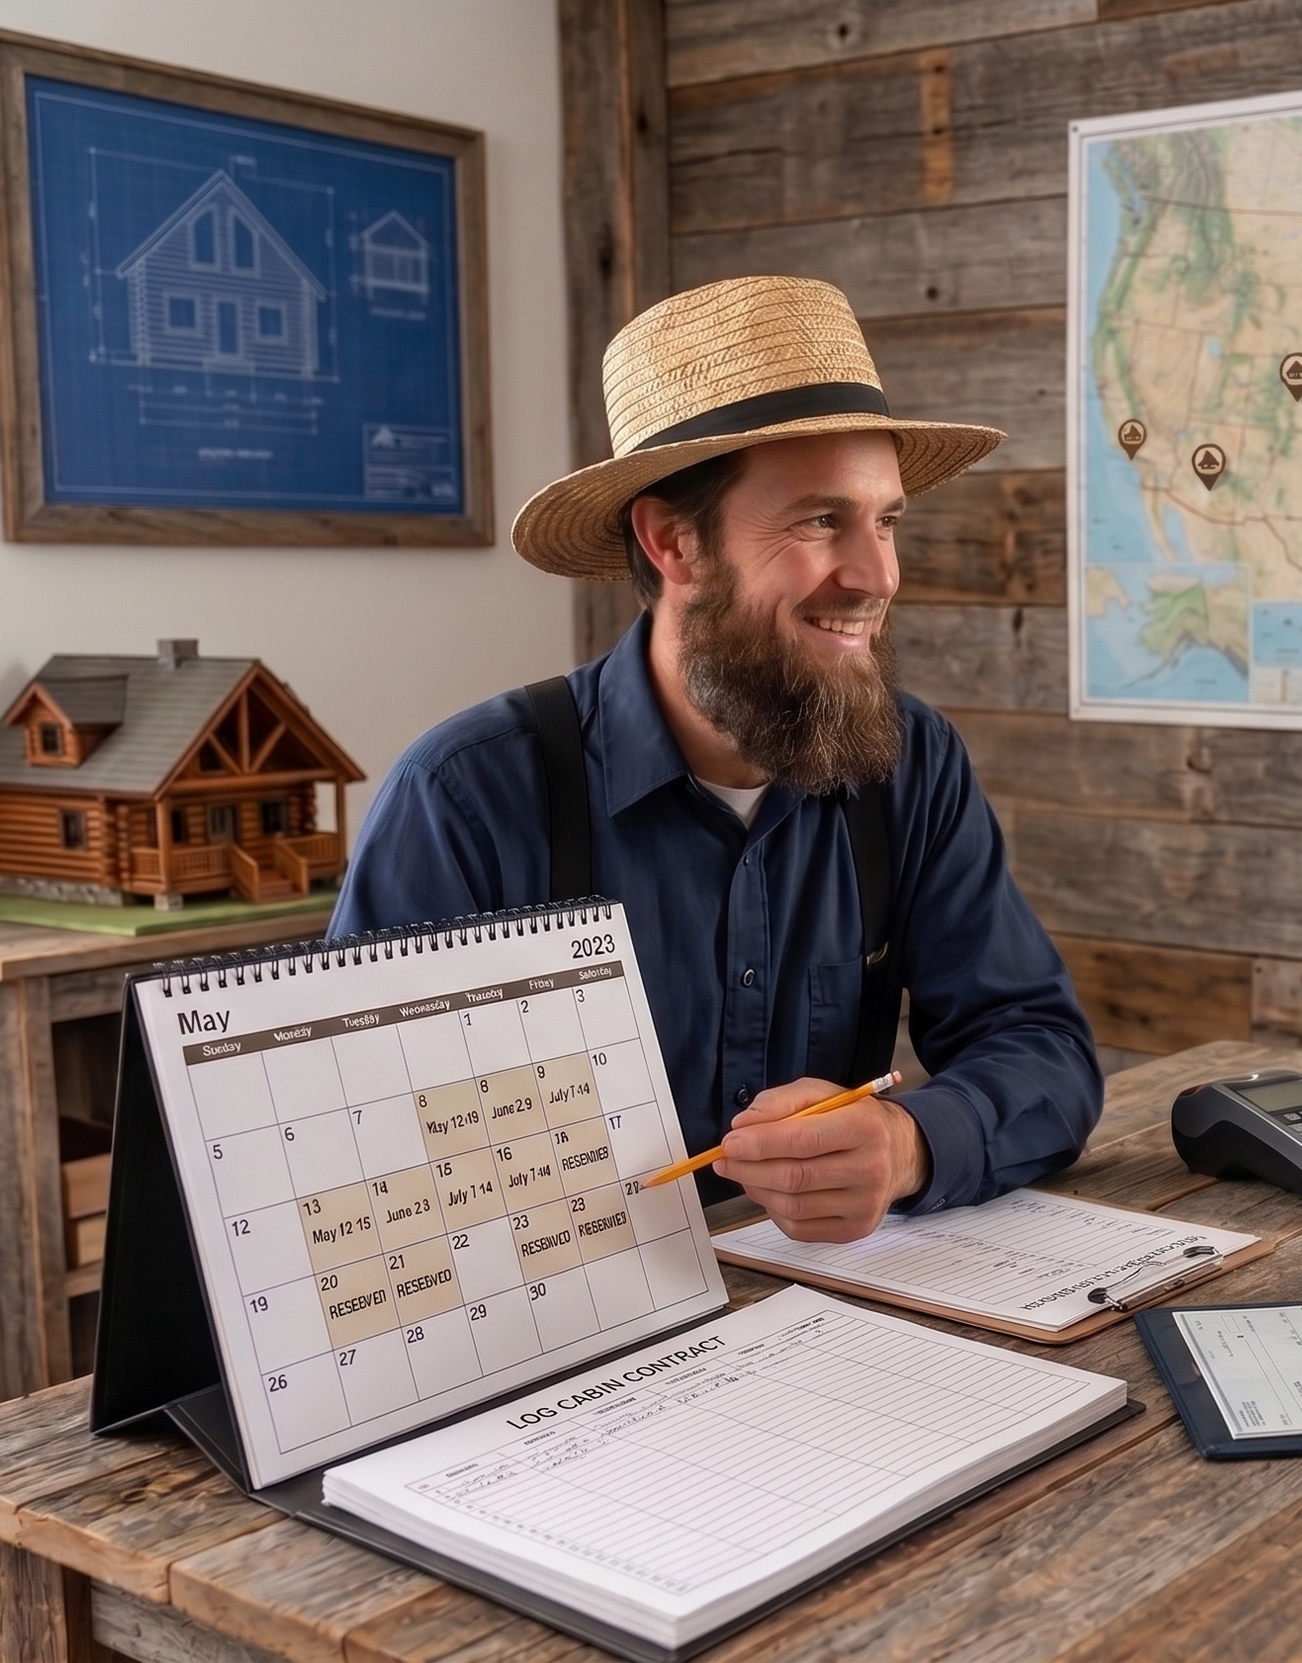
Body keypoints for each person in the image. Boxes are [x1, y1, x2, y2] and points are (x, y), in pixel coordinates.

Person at [333, 275, 1100, 1240]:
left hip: (832, 1325)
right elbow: (361, 1157)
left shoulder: (912, 764)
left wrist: (907, 1142)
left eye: (887, 519)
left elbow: (1041, 1048)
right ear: (673, 542)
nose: (877, 575)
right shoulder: (464, 800)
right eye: (823, 520)